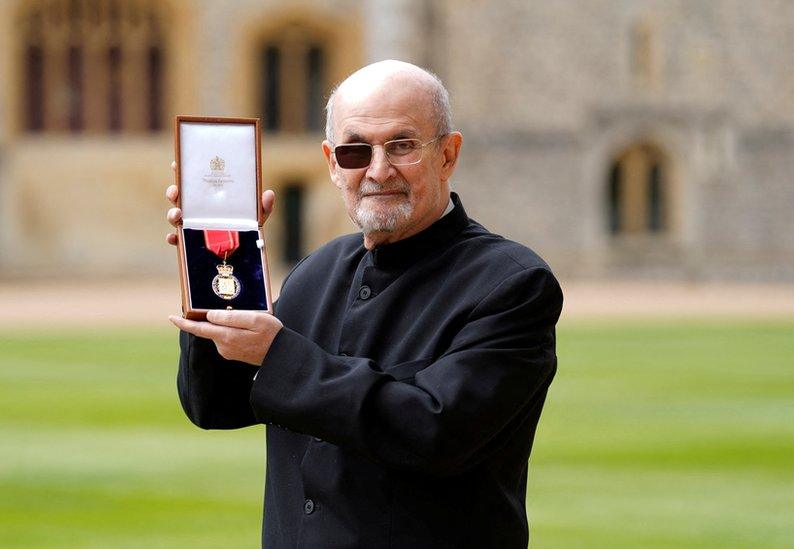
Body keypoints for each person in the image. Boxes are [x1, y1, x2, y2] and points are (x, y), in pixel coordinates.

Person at [165, 60, 563, 548]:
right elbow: (215, 405)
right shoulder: (317, 271)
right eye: (356, 151)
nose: (378, 170)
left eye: (402, 145)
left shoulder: (511, 284)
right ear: (333, 163)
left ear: (447, 154)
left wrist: (280, 355)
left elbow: (433, 432)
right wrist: (213, 261)